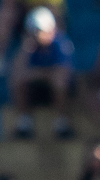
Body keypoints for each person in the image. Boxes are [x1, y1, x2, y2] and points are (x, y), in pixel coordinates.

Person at [11, 7, 77, 141]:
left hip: (61, 91)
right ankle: (25, 122)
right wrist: (26, 49)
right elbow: (17, 73)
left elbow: (63, 72)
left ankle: (62, 122)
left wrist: (36, 73)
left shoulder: (61, 44)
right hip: (37, 89)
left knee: (59, 80)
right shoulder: (28, 47)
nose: (39, 35)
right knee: (19, 80)